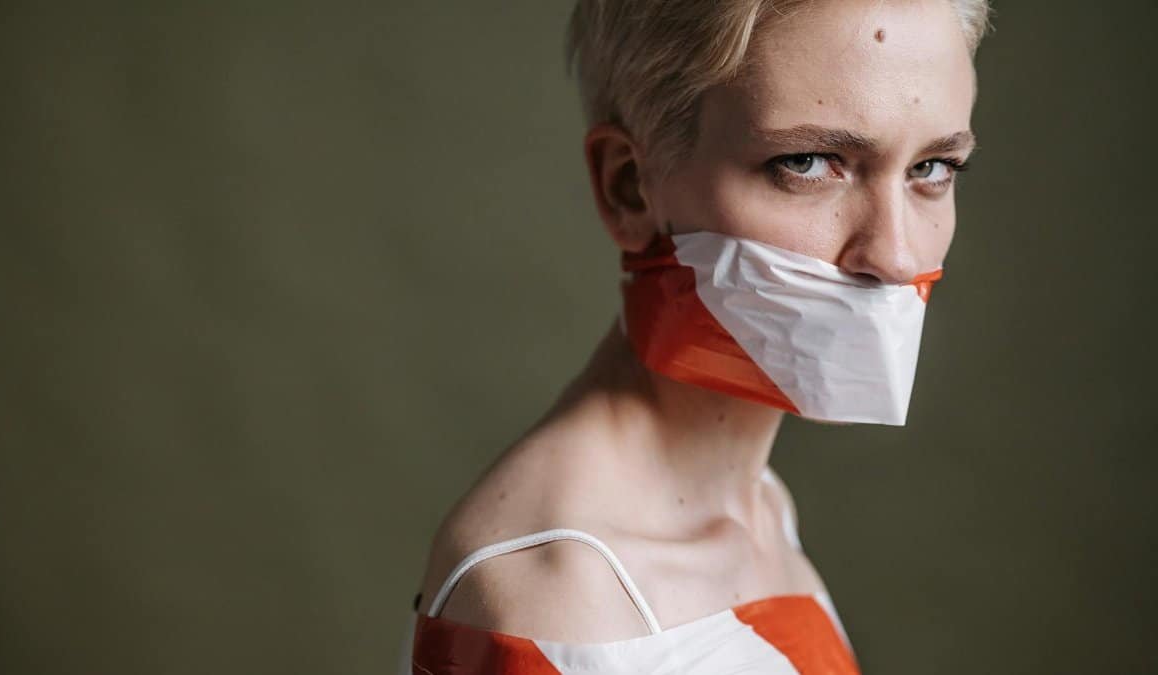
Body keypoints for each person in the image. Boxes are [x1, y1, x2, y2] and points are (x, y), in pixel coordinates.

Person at [400, 0, 990, 672]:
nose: (896, 255)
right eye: (806, 162)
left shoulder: (761, 505)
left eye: (933, 168)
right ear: (629, 187)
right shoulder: (559, 592)